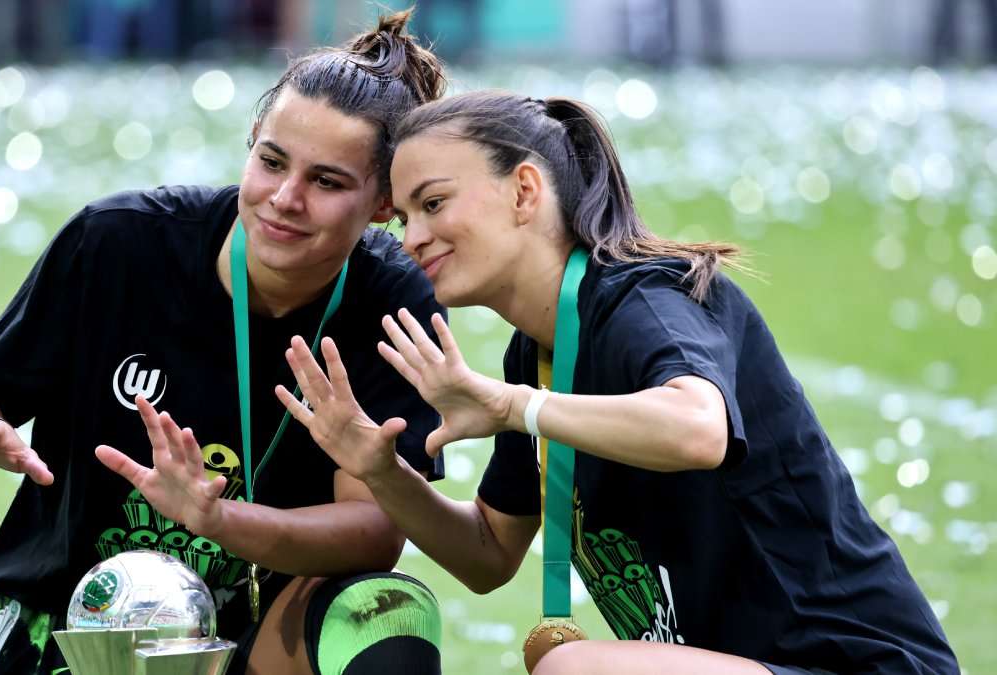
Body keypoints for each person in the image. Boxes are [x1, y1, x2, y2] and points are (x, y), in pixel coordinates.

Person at [276, 91, 960, 674]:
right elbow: (487, 554)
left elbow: (699, 427)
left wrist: (514, 408)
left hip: (857, 663)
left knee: (571, 665)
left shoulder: (646, 298)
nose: (411, 238)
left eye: (433, 203)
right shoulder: (535, 354)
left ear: (524, 191)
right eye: (402, 220)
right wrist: (384, 472)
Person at [0, 11, 449, 675]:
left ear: (385, 202)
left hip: (254, 635)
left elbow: (374, 532)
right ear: (250, 144)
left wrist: (221, 519)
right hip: (79, 625)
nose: (284, 198)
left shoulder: (394, 301)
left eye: (326, 181)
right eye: (271, 161)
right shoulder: (117, 241)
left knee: (388, 612)